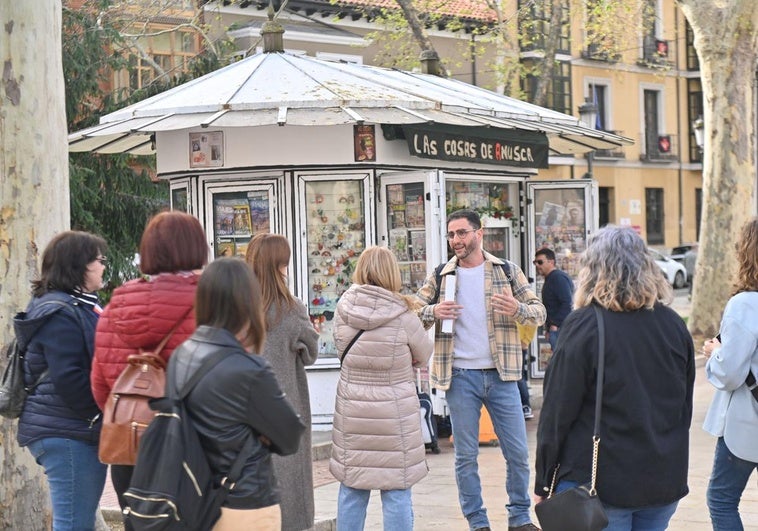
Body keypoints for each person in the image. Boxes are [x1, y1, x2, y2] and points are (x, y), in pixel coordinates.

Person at [535, 225, 695, 531]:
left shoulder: (584, 325)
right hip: (662, 479)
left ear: (592, 270)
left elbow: (557, 411)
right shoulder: (673, 324)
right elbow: (683, 407)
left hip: (599, 483)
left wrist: (544, 481)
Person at [415, 209, 546, 531]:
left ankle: (519, 517)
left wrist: (519, 309)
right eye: (451, 234)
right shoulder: (442, 274)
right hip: (460, 376)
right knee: (465, 457)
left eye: (461, 233)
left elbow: (539, 312)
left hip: (502, 375)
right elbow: (413, 311)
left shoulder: (506, 270)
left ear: (479, 233)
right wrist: (434, 310)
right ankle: (477, 522)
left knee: (517, 453)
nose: (455, 240)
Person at [91, 211, 208, 529]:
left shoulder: (114, 307)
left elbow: (102, 386)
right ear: (197, 248)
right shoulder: (211, 304)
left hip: (131, 444)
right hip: (193, 447)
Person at [171, 257, 305, 530]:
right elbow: (290, 436)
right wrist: (260, 433)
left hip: (193, 498)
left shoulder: (181, 355)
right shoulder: (249, 368)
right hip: (245, 501)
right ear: (248, 303)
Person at [330, 246, 434, 531]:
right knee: (397, 490)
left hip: (353, 411)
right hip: (395, 415)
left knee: (352, 487)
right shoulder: (403, 315)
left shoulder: (343, 308)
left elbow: (341, 347)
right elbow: (423, 355)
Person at [16, 231, 109, 531]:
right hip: (68, 431)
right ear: (78, 265)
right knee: (74, 525)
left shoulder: (78, 305)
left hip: (69, 427)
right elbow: (68, 376)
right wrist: (99, 417)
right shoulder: (60, 311)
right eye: (99, 260)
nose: (104, 266)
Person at [245, 233, 319, 531]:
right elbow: (311, 351)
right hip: (285, 408)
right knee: (290, 481)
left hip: (243, 409)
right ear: (280, 265)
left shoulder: (236, 306)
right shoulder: (291, 309)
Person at [702, 218, 758, 530]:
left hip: (747, 422)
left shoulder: (745, 304)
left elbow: (730, 375)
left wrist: (714, 354)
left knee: (721, 500)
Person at [533, 248, 573, 351]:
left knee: (563, 363)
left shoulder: (558, 278)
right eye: (535, 262)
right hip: (557, 330)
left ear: (551, 262)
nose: (537, 265)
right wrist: (549, 328)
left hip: (561, 330)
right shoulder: (551, 278)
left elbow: (567, 303)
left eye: (540, 262)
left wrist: (554, 325)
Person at [516, 322, 537, 420]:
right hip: (506, 343)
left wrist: (525, 340)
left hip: (518, 343)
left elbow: (533, 319)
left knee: (518, 376)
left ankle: (525, 406)